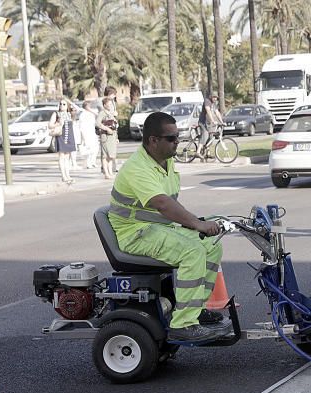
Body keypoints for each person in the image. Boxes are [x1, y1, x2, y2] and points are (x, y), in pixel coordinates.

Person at [107, 112, 230, 343]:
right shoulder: (137, 168)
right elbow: (162, 204)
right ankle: (183, 324)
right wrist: (197, 224)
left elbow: (172, 203)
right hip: (135, 233)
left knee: (211, 245)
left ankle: (194, 311)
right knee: (191, 252)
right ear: (153, 140)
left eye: (178, 137)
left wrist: (198, 224)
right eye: (172, 138)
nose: (177, 142)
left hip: (157, 227)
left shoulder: (166, 161)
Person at [49, 99, 78, 184]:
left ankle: (68, 175)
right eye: (60, 104)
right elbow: (50, 125)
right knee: (62, 156)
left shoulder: (69, 114)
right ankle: (63, 176)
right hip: (61, 135)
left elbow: (78, 110)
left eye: (64, 104)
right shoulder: (56, 114)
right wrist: (58, 123)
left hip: (69, 136)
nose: (62, 105)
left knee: (67, 157)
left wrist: (71, 104)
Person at [96, 96, 119, 179]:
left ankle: (110, 172)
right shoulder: (102, 113)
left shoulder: (111, 114)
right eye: (108, 104)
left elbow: (115, 127)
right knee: (105, 156)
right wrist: (106, 128)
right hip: (105, 137)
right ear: (104, 105)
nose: (110, 105)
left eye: (111, 104)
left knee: (110, 156)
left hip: (112, 137)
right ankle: (106, 173)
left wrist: (116, 137)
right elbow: (97, 123)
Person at [197, 95, 224, 159]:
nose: (215, 99)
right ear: (211, 97)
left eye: (216, 98)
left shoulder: (214, 104)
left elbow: (217, 112)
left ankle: (207, 153)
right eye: (214, 97)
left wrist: (222, 122)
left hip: (208, 124)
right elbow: (208, 111)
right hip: (203, 122)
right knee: (205, 135)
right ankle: (197, 152)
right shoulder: (207, 101)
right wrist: (213, 121)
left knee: (211, 137)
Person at [76, 101, 100, 170]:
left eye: (90, 106)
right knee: (88, 149)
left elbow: (96, 117)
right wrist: (83, 135)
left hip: (92, 132)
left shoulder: (91, 113)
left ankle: (93, 162)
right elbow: (81, 126)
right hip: (86, 133)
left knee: (95, 148)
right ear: (85, 106)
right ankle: (88, 163)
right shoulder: (82, 115)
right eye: (88, 106)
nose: (89, 107)